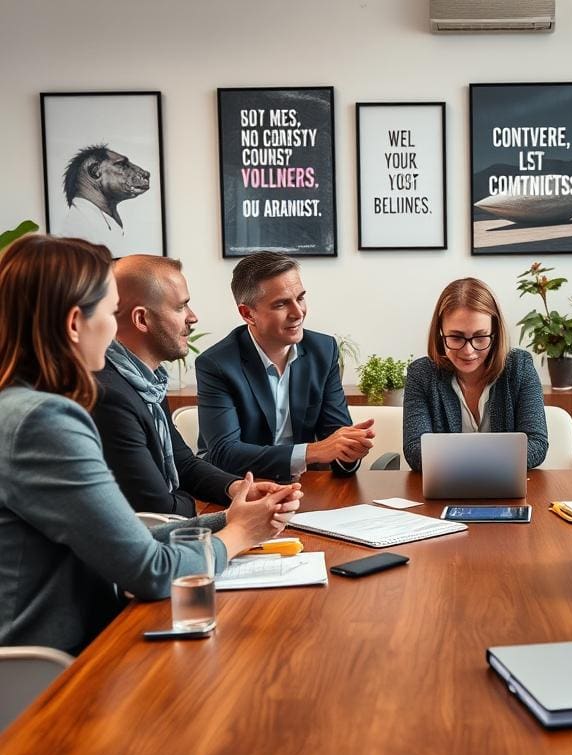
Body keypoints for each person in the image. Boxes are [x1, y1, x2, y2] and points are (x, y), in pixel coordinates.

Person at [0, 235, 302, 653]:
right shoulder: (45, 421)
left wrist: (235, 519)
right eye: (109, 313)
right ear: (74, 324)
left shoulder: (20, 406)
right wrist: (237, 535)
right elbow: (152, 570)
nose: (114, 331)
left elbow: (127, 536)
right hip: (60, 673)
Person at [92, 254, 290, 518]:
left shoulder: (145, 381)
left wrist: (238, 488)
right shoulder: (110, 397)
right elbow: (159, 509)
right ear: (142, 320)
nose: (192, 317)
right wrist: (204, 508)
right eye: (180, 307)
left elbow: (182, 463)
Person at [196, 251, 374, 482]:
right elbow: (225, 453)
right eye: (281, 304)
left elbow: (334, 435)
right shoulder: (217, 364)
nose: (298, 313)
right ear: (248, 313)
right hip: (240, 487)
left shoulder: (323, 350)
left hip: (305, 486)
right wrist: (312, 452)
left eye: (300, 298)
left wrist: (349, 450)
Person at [403, 277, 548, 471]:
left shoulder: (519, 367)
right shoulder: (421, 374)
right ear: (440, 333)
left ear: (495, 333)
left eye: (480, 337)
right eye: (456, 337)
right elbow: (414, 451)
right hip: (446, 490)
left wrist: (459, 462)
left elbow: (537, 444)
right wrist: (495, 461)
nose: (468, 351)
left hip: (505, 490)